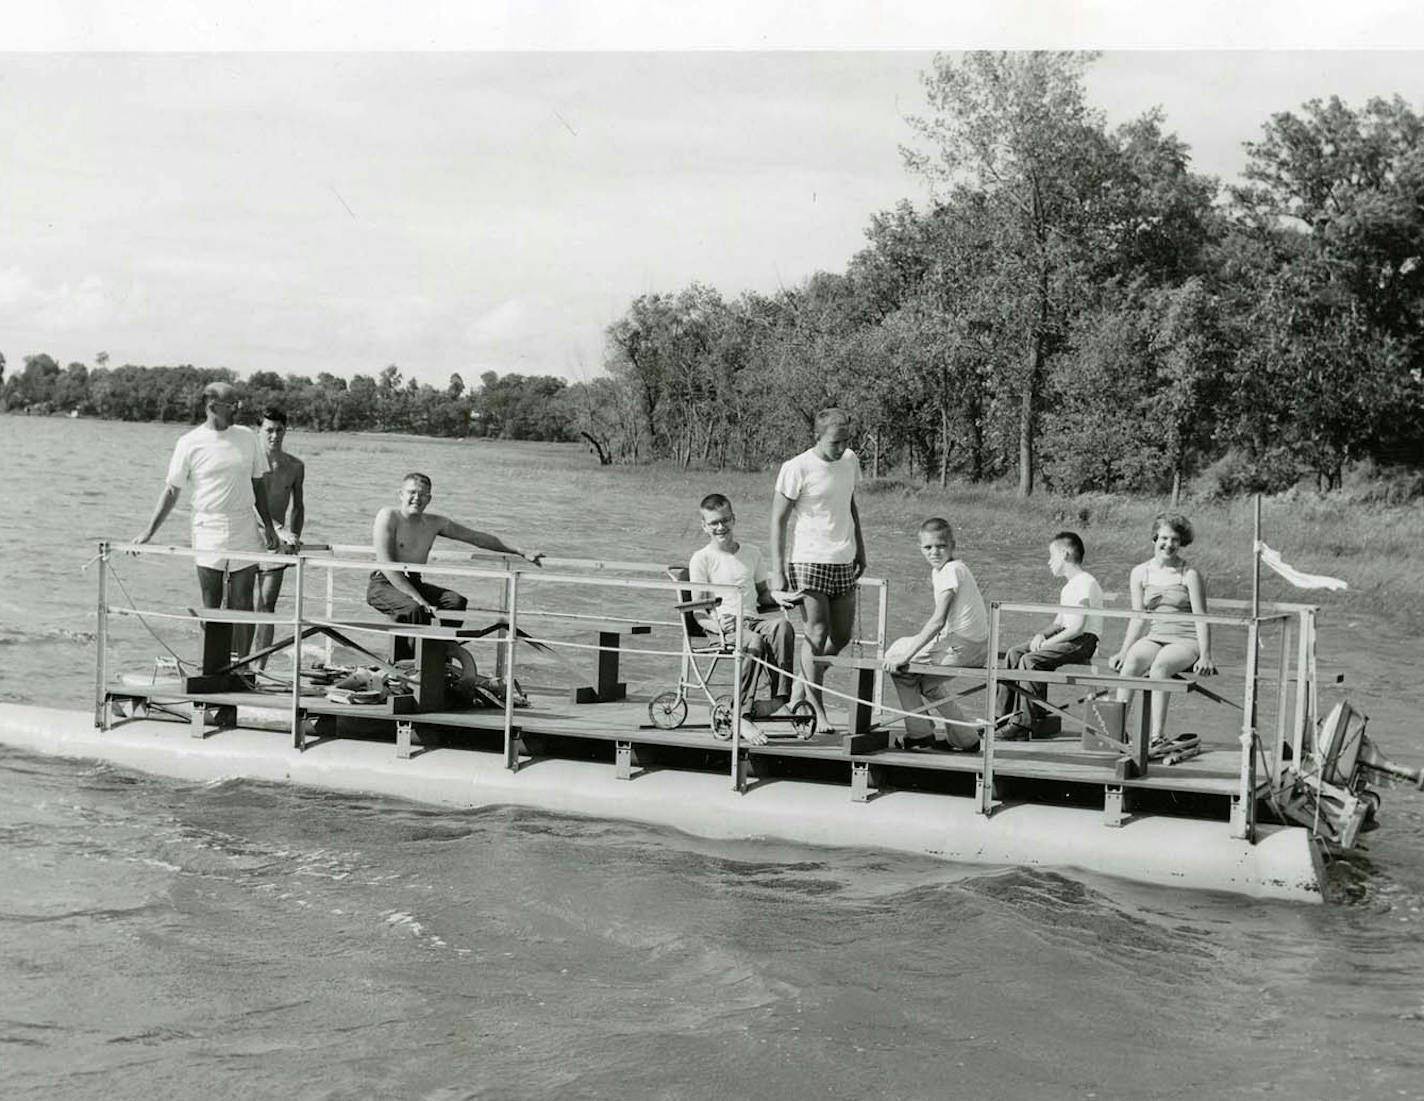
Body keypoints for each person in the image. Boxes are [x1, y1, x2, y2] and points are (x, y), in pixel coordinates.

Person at [133, 381, 279, 660]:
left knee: (243, 601)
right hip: (208, 526)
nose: (238, 409)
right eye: (232, 405)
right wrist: (148, 532)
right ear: (212, 406)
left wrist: (269, 526)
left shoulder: (247, 437)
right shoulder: (189, 443)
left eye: (238, 404)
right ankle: (212, 667)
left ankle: (243, 668)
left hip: (243, 523)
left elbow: (258, 483)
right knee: (211, 603)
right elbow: (172, 490)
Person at [366, 472, 545, 686]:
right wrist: (418, 599)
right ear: (401, 494)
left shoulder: (434, 523)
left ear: (429, 498)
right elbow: (387, 565)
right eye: (412, 493)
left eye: (423, 494)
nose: (417, 498)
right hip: (383, 583)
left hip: (414, 581)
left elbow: (476, 538)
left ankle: (442, 659)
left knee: (455, 601)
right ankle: (405, 670)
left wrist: (520, 551)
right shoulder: (388, 515)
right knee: (414, 609)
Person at [770, 408, 867, 735]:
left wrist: (861, 548)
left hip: (843, 559)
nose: (840, 447)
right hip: (809, 561)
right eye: (834, 441)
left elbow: (850, 505)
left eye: (845, 441)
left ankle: (801, 686)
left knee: (841, 636)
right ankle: (816, 711)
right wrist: (777, 570)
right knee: (817, 633)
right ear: (818, 436)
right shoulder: (796, 468)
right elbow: (778, 521)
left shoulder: (850, 460)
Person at [689, 493, 797, 744]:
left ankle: (780, 699)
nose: (720, 527)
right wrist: (714, 625)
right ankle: (742, 714)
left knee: (782, 626)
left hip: (752, 618)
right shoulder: (702, 558)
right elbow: (696, 610)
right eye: (714, 522)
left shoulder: (751, 552)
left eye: (725, 520)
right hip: (724, 624)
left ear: (733, 519)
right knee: (754, 642)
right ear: (704, 526)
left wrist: (780, 597)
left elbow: (763, 594)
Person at [1108, 511, 1217, 751]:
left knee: (1160, 667)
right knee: (1132, 662)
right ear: (1155, 538)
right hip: (1156, 635)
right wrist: (1123, 651)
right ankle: (1116, 730)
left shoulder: (1189, 574)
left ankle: (1157, 735)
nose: (1169, 545)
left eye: (1175, 540)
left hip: (1186, 638)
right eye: (1164, 538)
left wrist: (1206, 655)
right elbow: (1138, 617)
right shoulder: (1140, 572)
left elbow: (1202, 617)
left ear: (1181, 542)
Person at [882, 518, 988, 751]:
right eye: (928, 547)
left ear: (953, 545)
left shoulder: (950, 571)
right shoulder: (946, 570)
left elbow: (938, 621)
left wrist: (905, 657)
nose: (934, 552)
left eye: (941, 546)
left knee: (897, 666)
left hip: (961, 648)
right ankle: (967, 738)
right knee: (927, 684)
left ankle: (920, 734)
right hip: (974, 647)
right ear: (920, 548)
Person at [995, 531, 1104, 740]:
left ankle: (1025, 723)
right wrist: (1040, 635)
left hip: (1083, 641)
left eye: (1052, 556)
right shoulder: (1069, 586)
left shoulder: (1085, 582)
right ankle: (1001, 717)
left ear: (1065, 554)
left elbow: (1078, 627)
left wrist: (1047, 644)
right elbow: (1060, 622)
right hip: (1068, 637)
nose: (1048, 562)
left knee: (1030, 660)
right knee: (1014, 654)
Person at [251, 407, 306, 668]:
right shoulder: (249, 462)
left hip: (275, 544)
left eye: (279, 430)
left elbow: (298, 506)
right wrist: (277, 528)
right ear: (259, 430)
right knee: (235, 605)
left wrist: (294, 537)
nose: (274, 435)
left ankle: (258, 669)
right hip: (246, 537)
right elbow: (248, 502)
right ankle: (231, 665)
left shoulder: (295, 466)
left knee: (267, 605)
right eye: (269, 430)